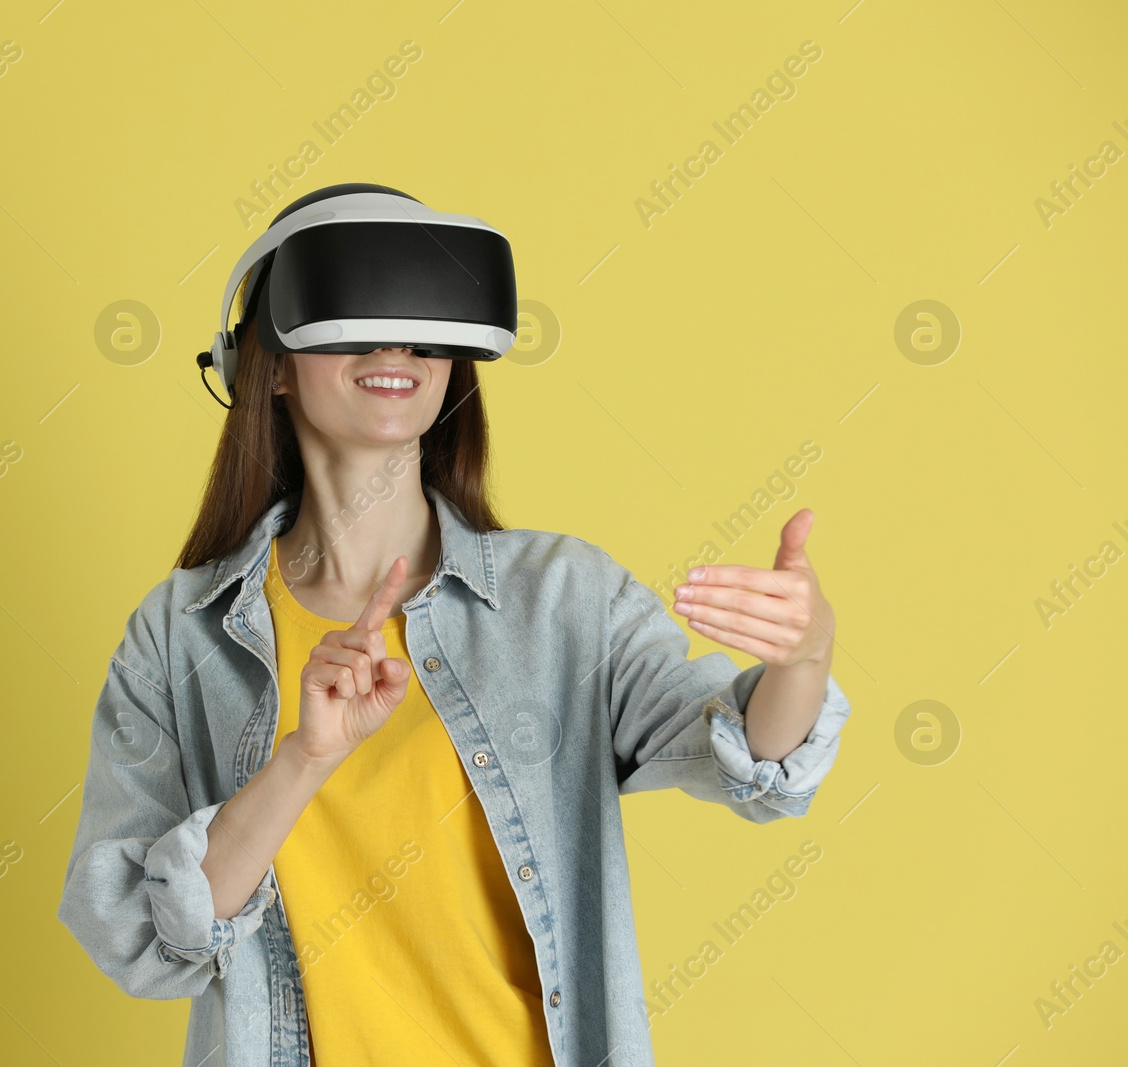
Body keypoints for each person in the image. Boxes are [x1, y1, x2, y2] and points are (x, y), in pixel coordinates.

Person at [58, 185, 852, 1067]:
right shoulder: (179, 636)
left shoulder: (564, 600)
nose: (396, 346)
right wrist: (303, 759)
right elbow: (137, 934)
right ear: (268, 364)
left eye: (425, 320)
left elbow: (749, 758)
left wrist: (803, 657)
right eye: (354, 310)